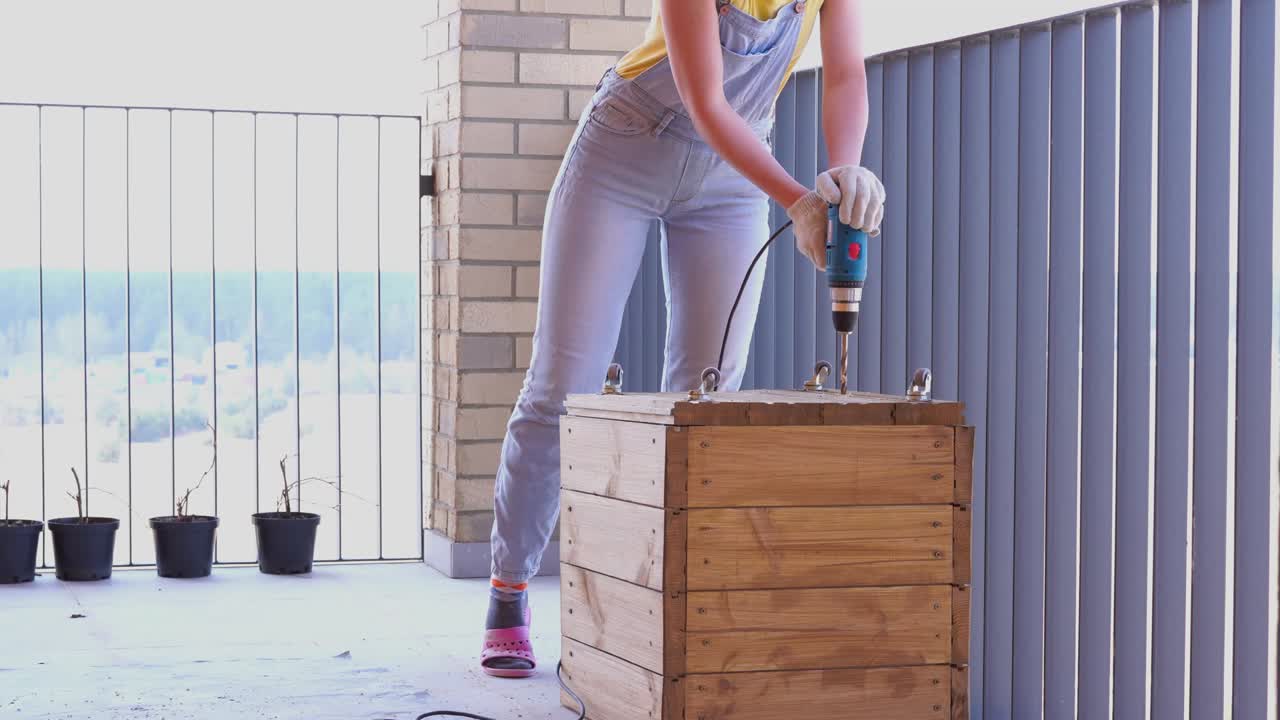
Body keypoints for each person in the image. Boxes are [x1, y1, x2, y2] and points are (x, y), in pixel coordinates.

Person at [479, 0, 886, 677]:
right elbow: (704, 101)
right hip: (625, 148)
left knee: (706, 406)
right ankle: (509, 589)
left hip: (733, 174)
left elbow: (844, 73)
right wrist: (796, 200)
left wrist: (844, 177)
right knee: (561, 389)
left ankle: (668, 603)